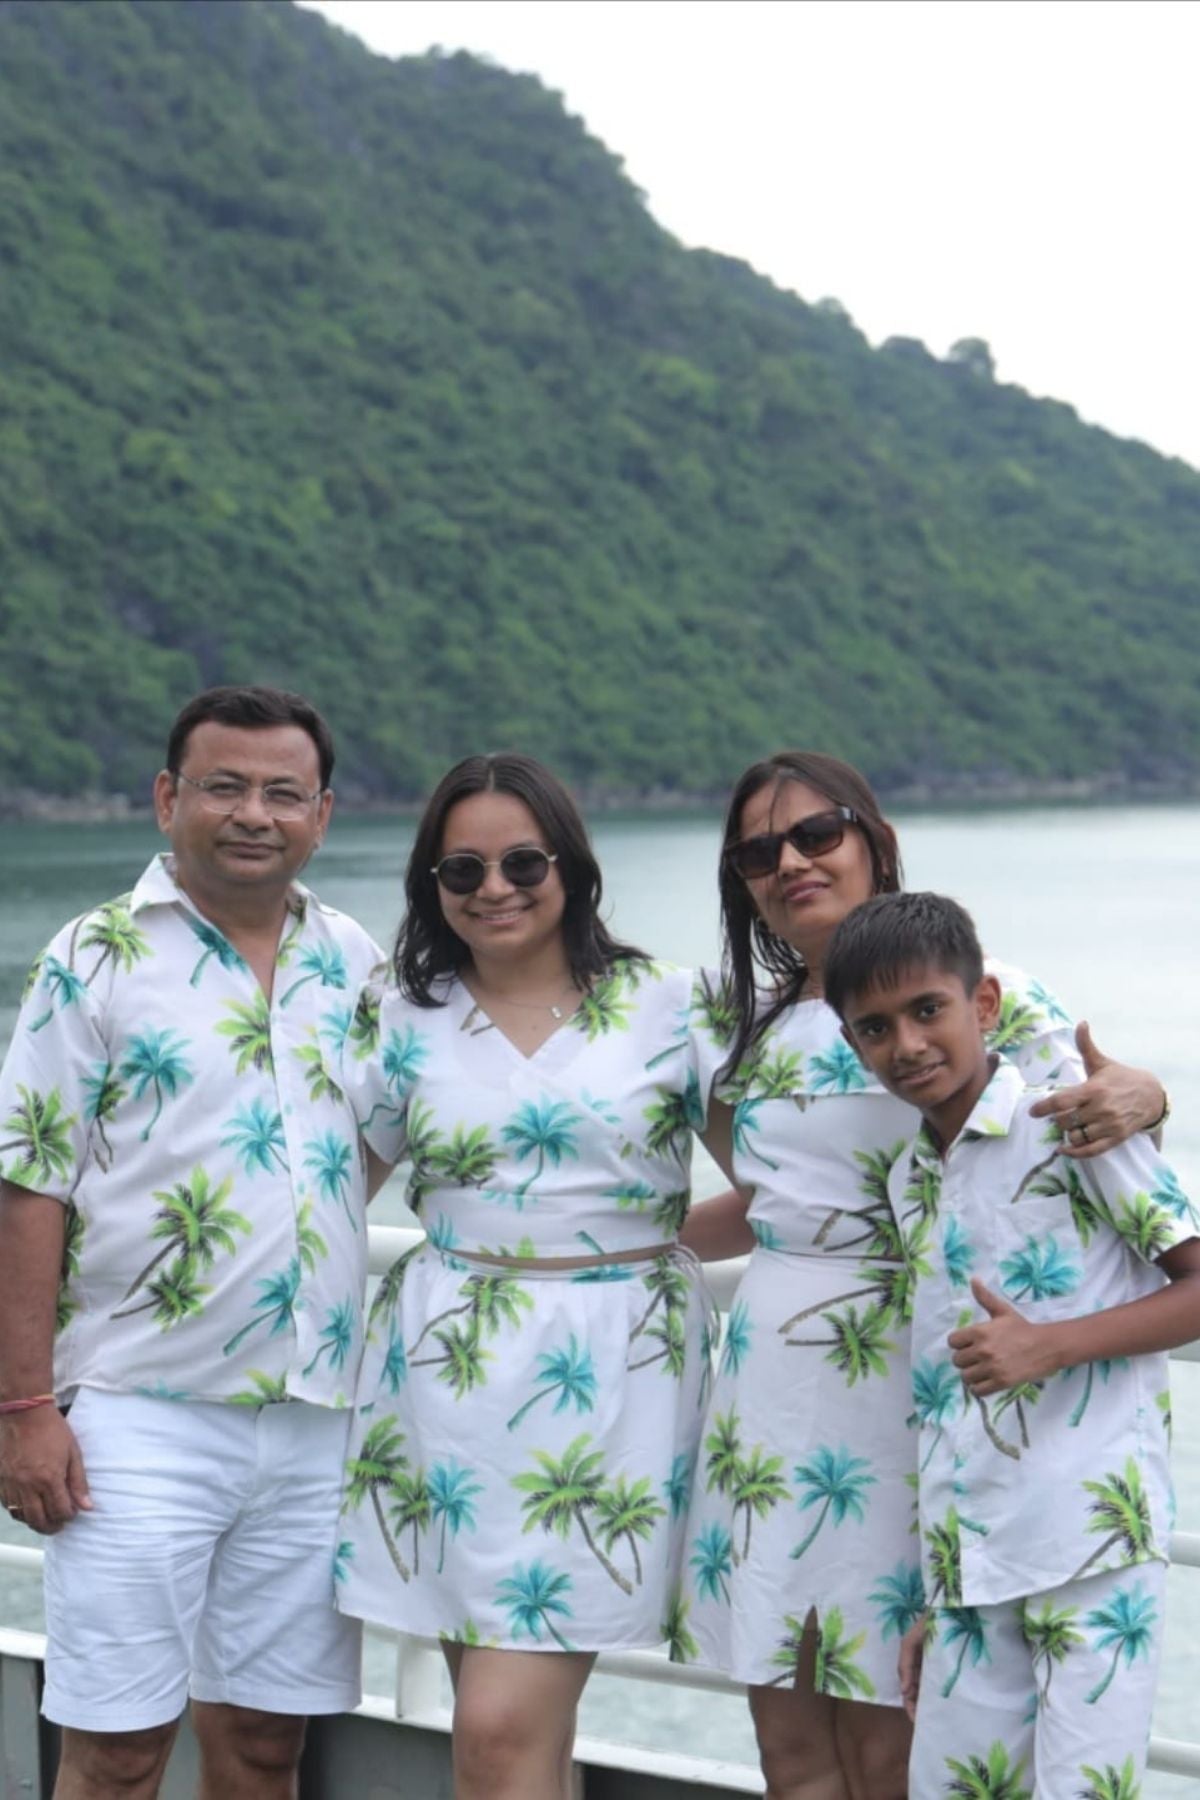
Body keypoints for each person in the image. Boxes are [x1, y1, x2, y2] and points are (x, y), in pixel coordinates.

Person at [677, 752, 1168, 1800]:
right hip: (769, 1389)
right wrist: (599, 1247)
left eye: (817, 833)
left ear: (874, 839)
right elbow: (773, 1201)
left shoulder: (989, 991)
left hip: (915, 1387)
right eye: (759, 851)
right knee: (787, 1725)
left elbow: (1082, 1119)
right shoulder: (739, 1027)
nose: (791, 862)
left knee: (898, 1728)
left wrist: (1151, 1093)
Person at [0, 686, 382, 1800]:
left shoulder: (352, 959)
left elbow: (367, 1144)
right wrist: (23, 1409)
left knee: (266, 1743)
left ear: (322, 814)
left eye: (283, 793)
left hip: (314, 1418)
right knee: (118, 1748)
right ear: (169, 799)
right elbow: (27, 1183)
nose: (253, 814)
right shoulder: (95, 955)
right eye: (224, 787)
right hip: (138, 1415)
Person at [334, 752, 714, 1800]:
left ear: (571, 866)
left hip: (614, 1384)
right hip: (443, 1384)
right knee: (505, 1734)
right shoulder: (398, 1012)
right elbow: (331, 1193)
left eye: (522, 863)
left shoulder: (672, 1005)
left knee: (498, 1730)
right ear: (432, 886)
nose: (493, 888)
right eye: (462, 871)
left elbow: (786, 1184)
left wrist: (632, 1245)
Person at [824, 890, 1199, 1796]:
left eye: (928, 1010)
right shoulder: (910, 1178)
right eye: (876, 1028)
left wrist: (1050, 1345)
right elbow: (940, 1393)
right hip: (969, 1569)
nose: (908, 1044)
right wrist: (937, 1590)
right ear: (853, 1044)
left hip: (1089, 1543)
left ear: (983, 1004)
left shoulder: (1071, 1128)